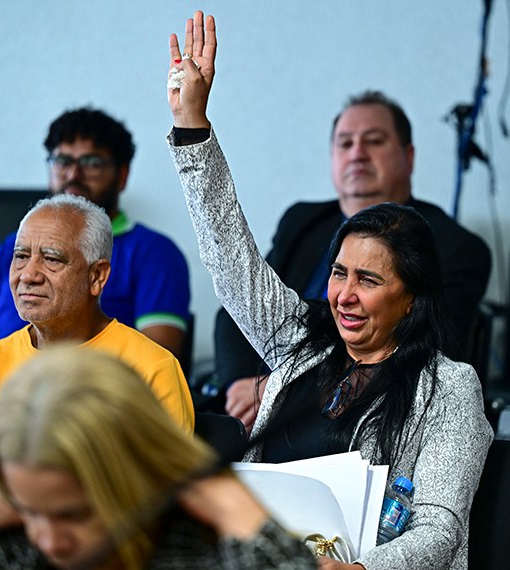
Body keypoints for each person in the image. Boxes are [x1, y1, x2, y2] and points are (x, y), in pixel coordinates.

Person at [167, 11, 492, 570]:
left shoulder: (449, 388)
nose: (343, 294)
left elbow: (438, 530)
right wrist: (193, 122)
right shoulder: (304, 345)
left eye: (368, 280)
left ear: (411, 297)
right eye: (340, 273)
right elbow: (231, 258)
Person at [0, 107, 191, 486]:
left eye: (91, 162)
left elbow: (155, 353)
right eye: (62, 160)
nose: (73, 173)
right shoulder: (7, 254)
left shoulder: (153, 253)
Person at [215, 90, 492, 433]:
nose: (357, 154)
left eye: (374, 141)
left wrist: (281, 386)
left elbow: (424, 347)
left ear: (409, 157)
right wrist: (243, 383)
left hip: (370, 422)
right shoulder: (301, 222)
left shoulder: (454, 246)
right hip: (259, 412)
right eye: (345, 144)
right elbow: (240, 308)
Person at [0, 194, 194, 544]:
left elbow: (156, 518)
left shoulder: (152, 369)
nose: (28, 275)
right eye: (21, 256)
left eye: (52, 259)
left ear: (97, 276)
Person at [0, 347, 316, 569]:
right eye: (28, 510)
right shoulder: (28, 547)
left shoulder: (196, 555)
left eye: (72, 513)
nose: (49, 540)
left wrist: (230, 501)